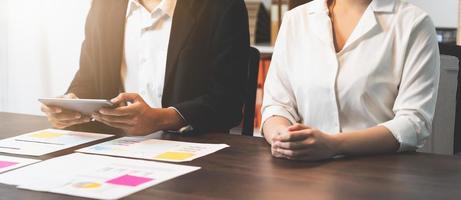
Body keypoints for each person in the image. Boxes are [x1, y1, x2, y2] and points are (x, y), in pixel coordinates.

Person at [262, 0, 440, 161]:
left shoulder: (415, 23)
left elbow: (413, 123)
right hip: (303, 170)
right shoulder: (295, 20)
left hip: (380, 172)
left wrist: (334, 144)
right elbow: (277, 105)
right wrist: (282, 138)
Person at [40, 0, 250, 135]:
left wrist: (161, 119)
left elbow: (227, 102)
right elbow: (89, 77)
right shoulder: (104, 5)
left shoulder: (222, 6)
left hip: (191, 148)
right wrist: (72, 102)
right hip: (114, 148)